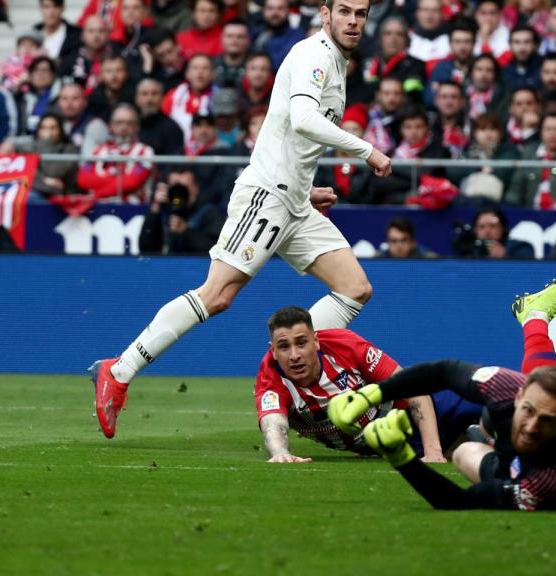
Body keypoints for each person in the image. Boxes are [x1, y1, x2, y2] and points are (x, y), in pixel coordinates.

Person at [89, 0, 394, 440]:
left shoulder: (335, 63)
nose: (352, 21)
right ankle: (118, 371)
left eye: (360, 14)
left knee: (354, 288)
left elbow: (289, 134)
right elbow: (304, 119)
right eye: (343, 11)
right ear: (325, 14)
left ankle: (294, 373)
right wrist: (367, 150)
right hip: (268, 195)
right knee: (217, 295)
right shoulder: (313, 54)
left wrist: (307, 188)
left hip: (296, 201)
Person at [326, 279, 556, 511]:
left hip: (523, 467)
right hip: (506, 432)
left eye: (547, 421)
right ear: (518, 395)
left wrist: (401, 458)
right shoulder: (509, 389)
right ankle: (536, 317)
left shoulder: (551, 484)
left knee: (467, 450)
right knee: (472, 442)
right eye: (528, 410)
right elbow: (442, 371)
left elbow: (455, 502)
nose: (532, 425)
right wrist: (370, 395)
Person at [255, 306, 474, 462]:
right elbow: (273, 425)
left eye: (302, 343)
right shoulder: (270, 379)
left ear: (316, 341)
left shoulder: (345, 346)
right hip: (389, 442)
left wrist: (433, 451)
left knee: (490, 403)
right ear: (273, 350)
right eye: (284, 346)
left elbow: (413, 387)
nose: (294, 355)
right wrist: (280, 454)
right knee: (469, 448)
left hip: (421, 410)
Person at [453, 206, 534, 259]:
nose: (487, 231)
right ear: (475, 230)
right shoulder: (470, 251)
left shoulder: (520, 247)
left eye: (493, 226)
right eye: (482, 227)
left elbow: (528, 274)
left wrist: (505, 257)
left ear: (503, 228)